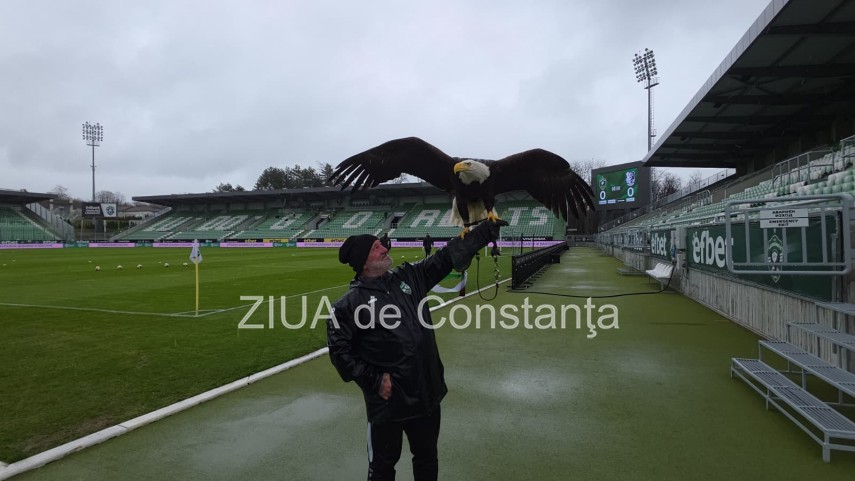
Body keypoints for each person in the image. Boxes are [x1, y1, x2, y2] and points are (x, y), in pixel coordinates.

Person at [328, 220, 506, 481]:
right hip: (388, 404)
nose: (384, 248)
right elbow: (339, 352)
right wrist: (373, 379)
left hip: (426, 395)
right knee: (382, 469)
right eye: (376, 247)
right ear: (363, 262)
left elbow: (445, 258)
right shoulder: (348, 305)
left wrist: (481, 234)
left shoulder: (408, 276)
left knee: (426, 459)